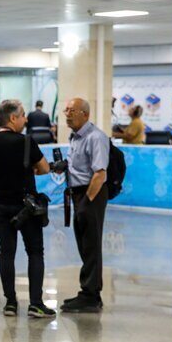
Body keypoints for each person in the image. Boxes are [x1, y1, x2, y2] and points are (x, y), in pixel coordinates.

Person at [0, 100, 56, 318]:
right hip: (27, 207)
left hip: (0, 205)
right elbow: (43, 168)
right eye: (23, 115)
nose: (25, 119)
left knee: (7, 252)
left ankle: (11, 303)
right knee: (35, 252)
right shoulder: (26, 142)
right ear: (13, 118)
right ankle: (35, 303)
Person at [58, 98, 110, 313]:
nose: (67, 114)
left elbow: (100, 174)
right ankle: (89, 291)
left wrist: (87, 203)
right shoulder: (75, 137)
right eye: (66, 110)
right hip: (79, 194)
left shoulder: (95, 137)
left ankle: (90, 295)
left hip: (91, 194)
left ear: (85, 114)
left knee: (91, 244)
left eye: (72, 111)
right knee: (84, 244)